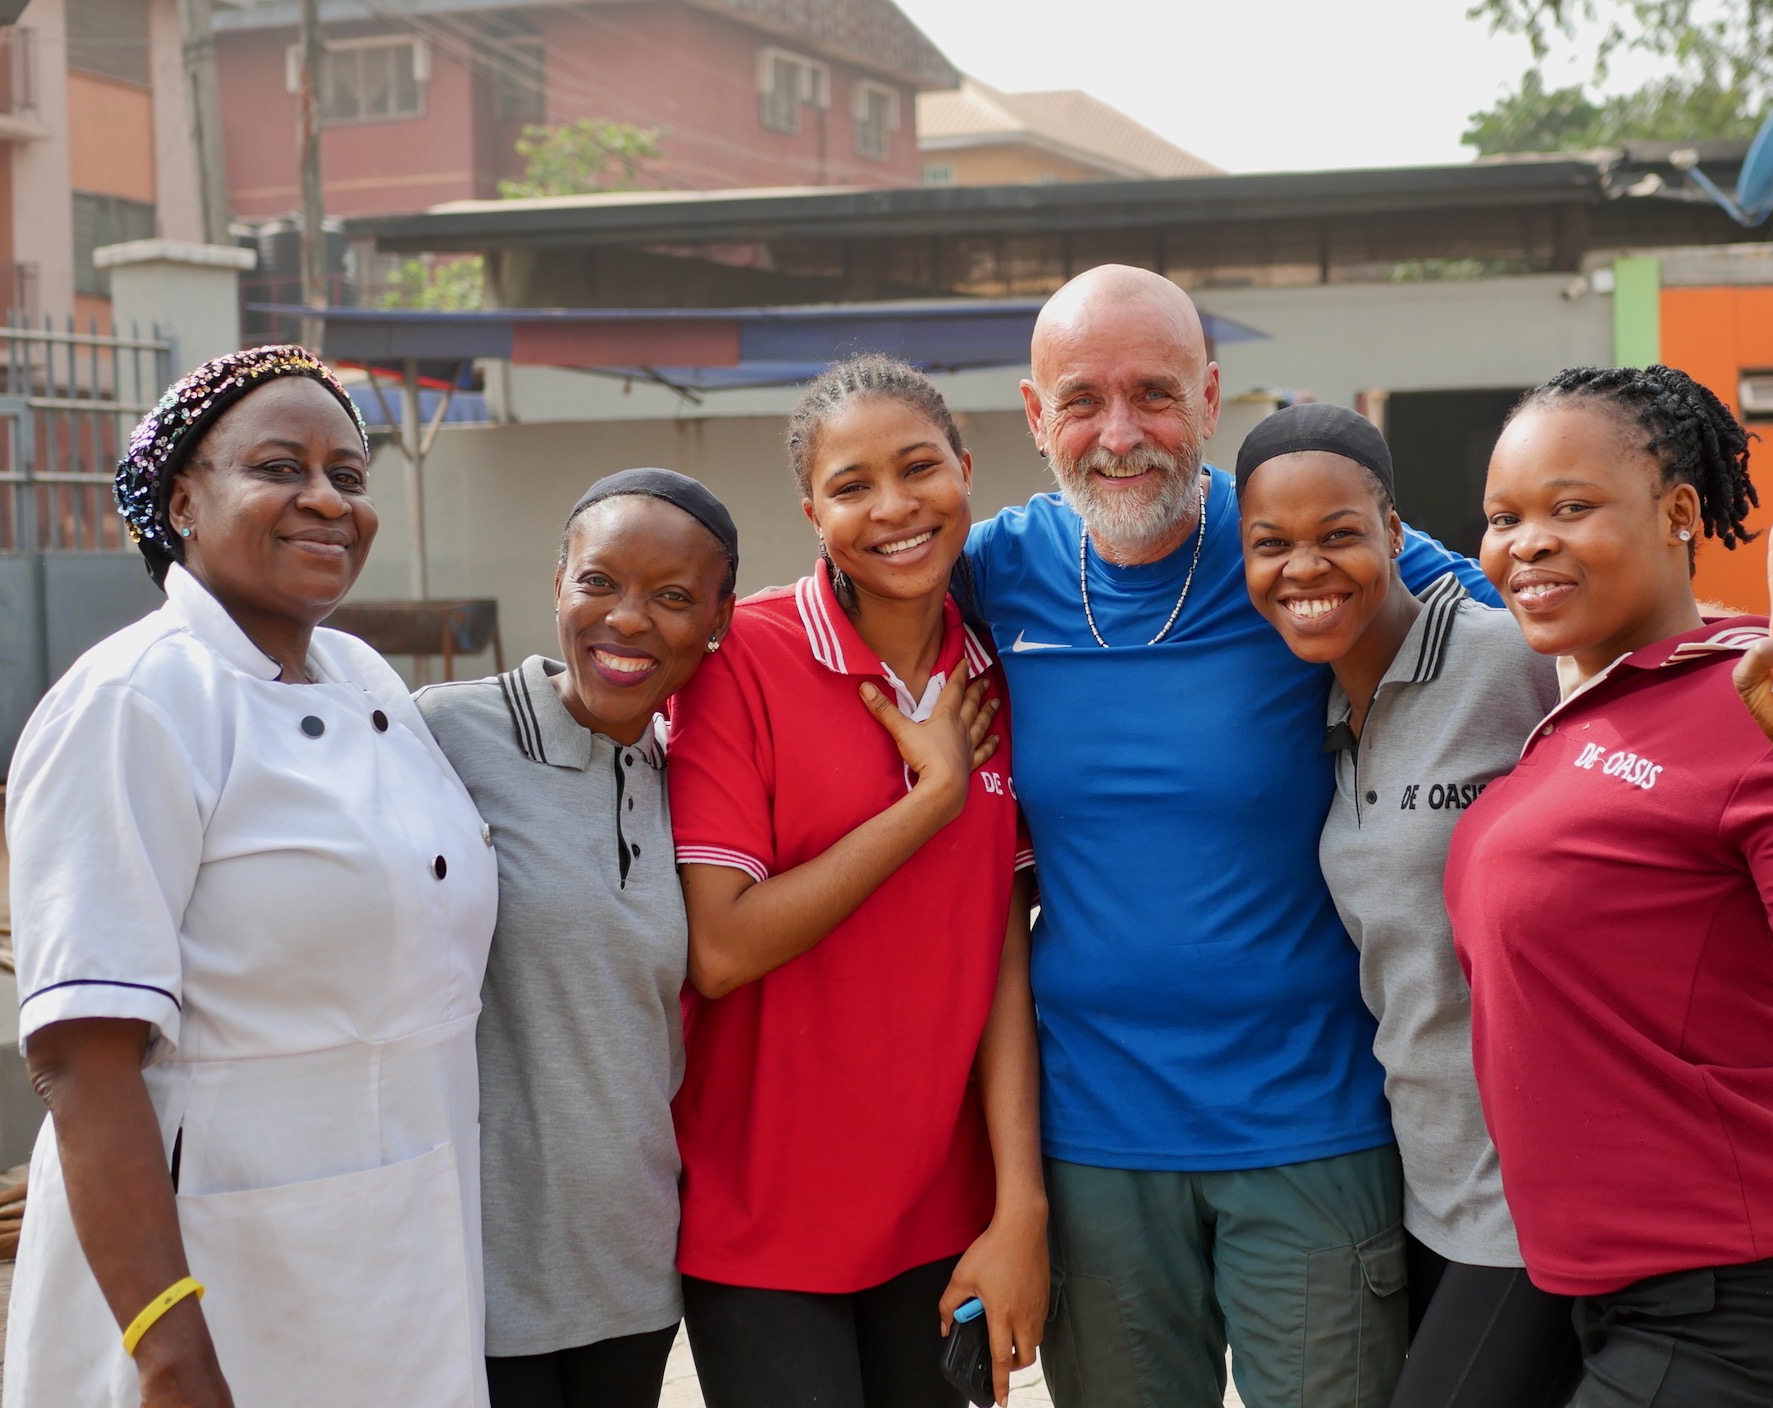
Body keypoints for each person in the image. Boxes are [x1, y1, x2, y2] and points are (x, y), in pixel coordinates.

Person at [965, 264, 1494, 1408]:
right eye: (1081, 400)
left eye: (1153, 394)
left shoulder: (1297, 545)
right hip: (1094, 1140)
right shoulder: (995, 570)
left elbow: (1561, 622)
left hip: (1308, 1124)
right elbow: (806, 639)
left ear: (1208, 399)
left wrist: (1759, 665)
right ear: (1034, 414)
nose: (1119, 434)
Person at [1447, 365, 1773, 1407]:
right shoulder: (1591, 688)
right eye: (1502, 518)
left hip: (1759, 1290)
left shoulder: (1756, 708)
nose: (1525, 543)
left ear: (1678, 513)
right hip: (1588, 1267)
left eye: (1569, 508)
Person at [4, 347, 498, 1407]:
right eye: (281, 467)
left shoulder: (364, 677)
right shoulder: (134, 701)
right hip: (216, 1270)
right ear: (183, 500)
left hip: (403, 1243)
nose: (327, 499)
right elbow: (83, 1060)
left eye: (349, 476)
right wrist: (168, 1349)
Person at [666, 355, 1046, 1408]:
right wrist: (931, 801)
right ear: (811, 513)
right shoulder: (742, 660)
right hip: (761, 1221)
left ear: (965, 470)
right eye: (851, 486)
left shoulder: (995, 671)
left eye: (918, 467)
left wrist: (1020, 1205)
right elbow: (721, 948)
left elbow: (999, 949)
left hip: (942, 1215)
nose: (893, 508)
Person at [1233, 402, 1578, 1408]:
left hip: (1533, 1193)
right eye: (1271, 545)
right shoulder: (1317, 702)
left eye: (1337, 533)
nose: (1304, 568)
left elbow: (1656, 684)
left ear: (1394, 530)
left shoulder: (1506, 658)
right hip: (1423, 1192)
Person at [416, 470, 739, 1408]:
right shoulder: (443, 734)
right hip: (478, 1272)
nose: (627, 620)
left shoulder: (694, 773)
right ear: (558, 584)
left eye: (672, 596)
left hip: (632, 1269)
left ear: (716, 621)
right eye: (599, 582)